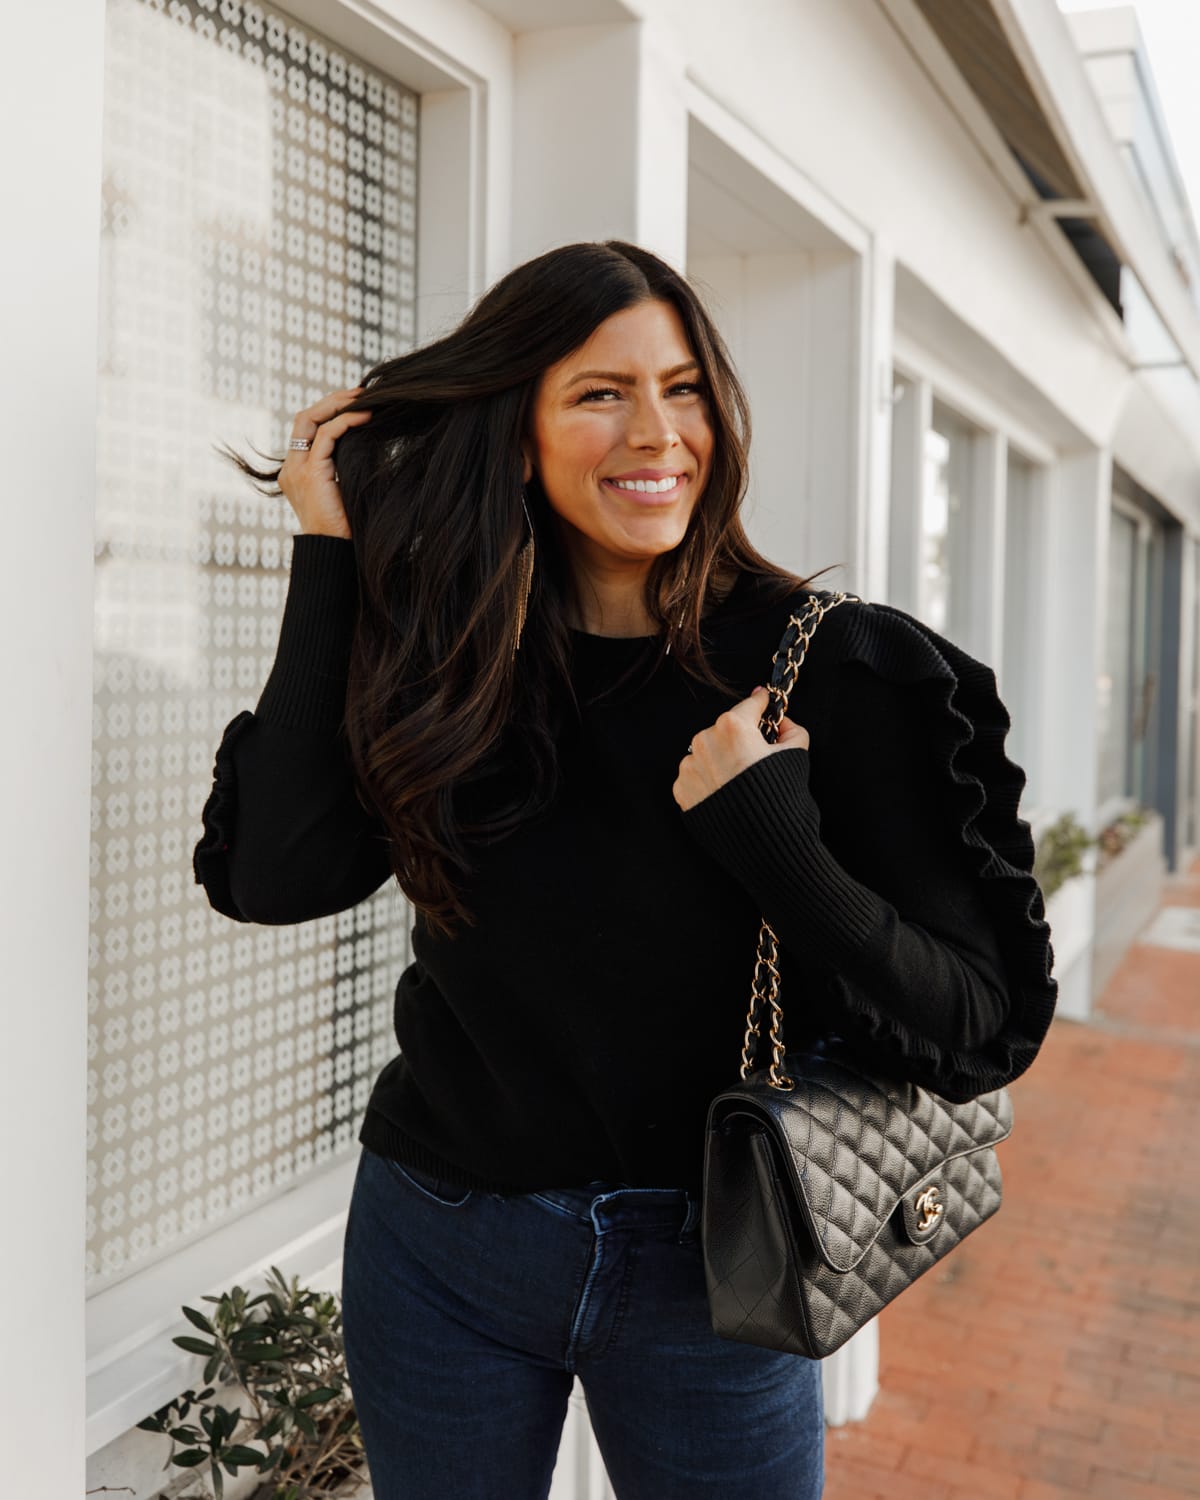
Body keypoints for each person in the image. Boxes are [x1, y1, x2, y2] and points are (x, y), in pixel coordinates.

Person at [193, 239, 1057, 1500]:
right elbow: (271, 876)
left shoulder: (838, 673)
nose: (658, 433)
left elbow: (982, 1026)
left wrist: (779, 841)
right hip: (441, 1242)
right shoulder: (452, 661)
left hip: (723, 1268)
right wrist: (331, 552)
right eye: (601, 392)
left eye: (686, 387)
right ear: (518, 428)